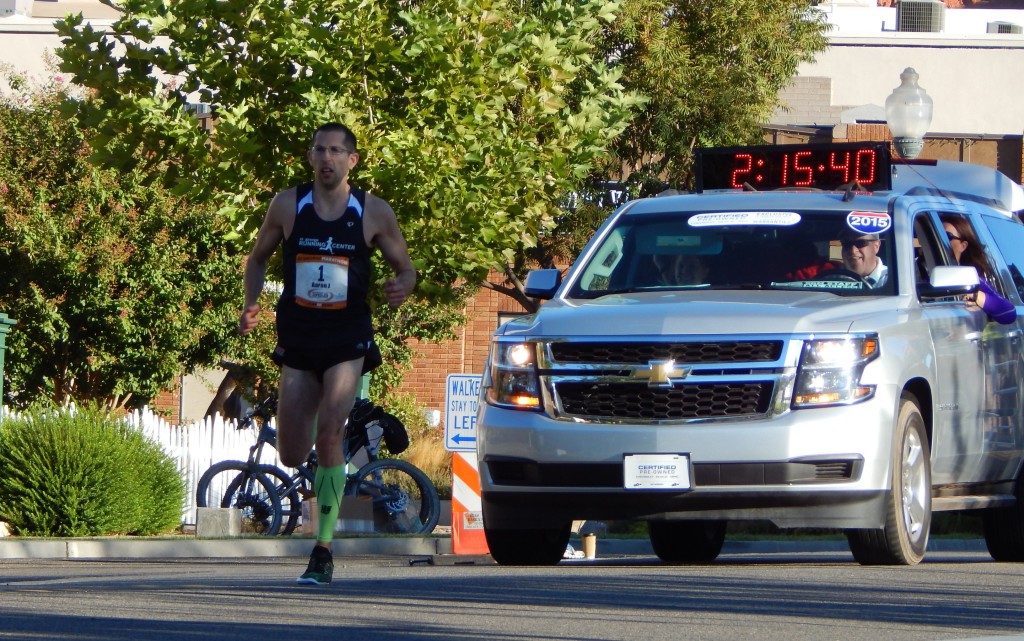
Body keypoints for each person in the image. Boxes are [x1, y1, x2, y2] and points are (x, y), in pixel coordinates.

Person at [239, 122, 416, 585]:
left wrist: (402, 287)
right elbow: (257, 258)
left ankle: (322, 550)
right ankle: (314, 435)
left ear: (352, 161)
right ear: (310, 156)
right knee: (293, 454)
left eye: (337, 151)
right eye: (320, 149)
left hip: (347, 336)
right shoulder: (287, 204)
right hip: (298, 337)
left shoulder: (372, 211)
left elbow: (405, 266)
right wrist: (251, 303)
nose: (327, 158)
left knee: (331, 436)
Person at [941, 215, 1016, 324]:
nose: (942, 241)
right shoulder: (917, 270)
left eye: (948, 236)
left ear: (963, 246)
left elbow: (1009, 313)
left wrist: (973, 295)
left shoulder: (966, 276)